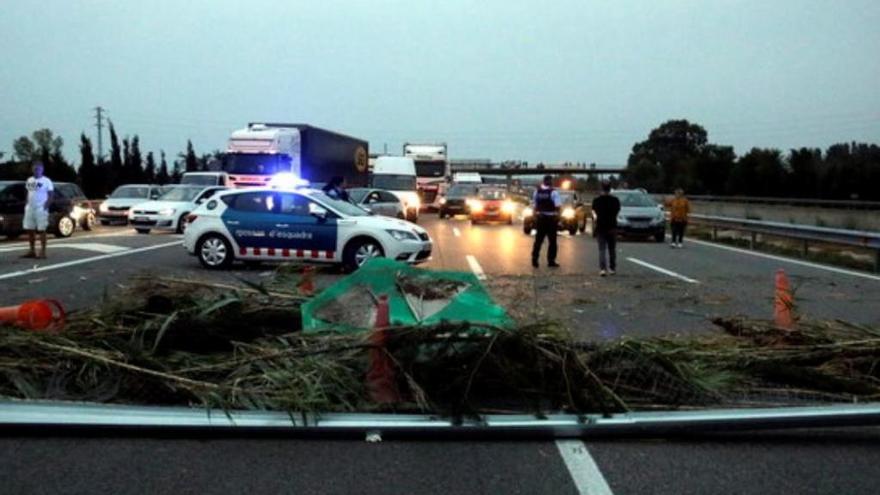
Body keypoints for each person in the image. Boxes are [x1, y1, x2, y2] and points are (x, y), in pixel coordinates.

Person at [22, 161, 54, 259]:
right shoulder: (29, 180)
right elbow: (28, 193)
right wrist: (26, 205)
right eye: (34, 169)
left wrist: (45, 207)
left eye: (38, 169)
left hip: (41, 208)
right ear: (32, 169)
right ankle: (32, 250)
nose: (36, 171)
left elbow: (51, 195)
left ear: (42, 170)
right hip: (30, 208)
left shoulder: (46, 181)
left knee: (42, 230)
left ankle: (43, 252)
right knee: (30, 229)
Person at [531, 175, 562, 268]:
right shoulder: (554, 192)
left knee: (538, 240)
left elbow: (534, 205)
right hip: (551, 219)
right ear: (550, 182)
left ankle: (534, 259)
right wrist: (559, 218)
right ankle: (551, 261)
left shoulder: (537, 191)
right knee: (552, 241)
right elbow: (558, 206)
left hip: (540, 218)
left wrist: (535, 216)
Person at [591, 182, 620, 276]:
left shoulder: (597, 200)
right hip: (612, 226)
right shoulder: (615, 200)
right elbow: (617, 211)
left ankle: (602, 269)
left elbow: (594, 211)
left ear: (602, 189)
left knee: (602, 249)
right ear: (610, 189)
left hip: (601, 227)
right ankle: (612, 268)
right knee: (612, 249)